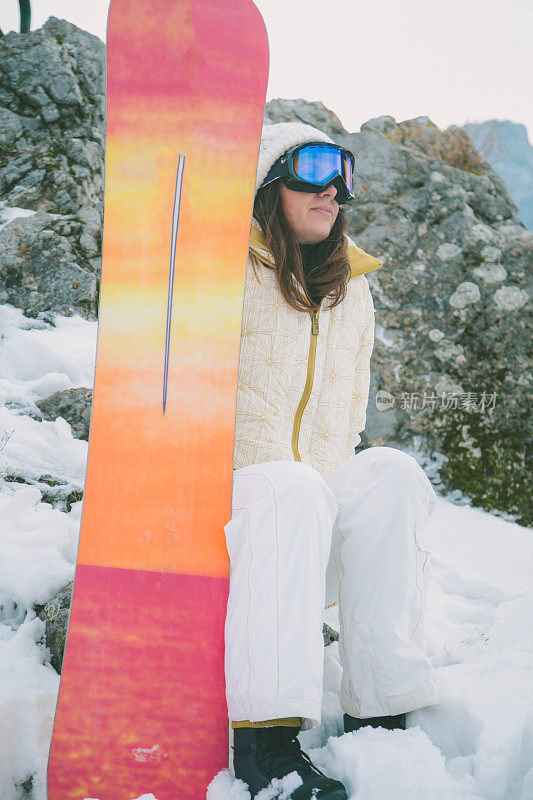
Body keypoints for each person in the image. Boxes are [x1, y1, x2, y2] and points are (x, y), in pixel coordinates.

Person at [224, 122, 439, 800]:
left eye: (343, 174)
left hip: (306, 522)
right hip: (228, 514)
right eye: (313, 170)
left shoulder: (353, 289)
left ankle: (376, 707)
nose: (333, 191)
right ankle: (267, 741)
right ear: (267, 184)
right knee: (290, 488)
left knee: (391, 472)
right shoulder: (220, 266)